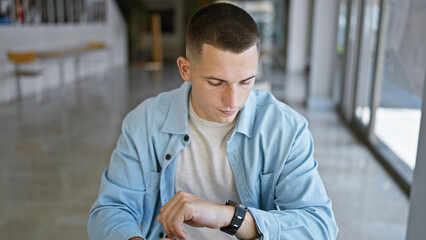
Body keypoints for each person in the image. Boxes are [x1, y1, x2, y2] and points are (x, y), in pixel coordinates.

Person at [88, 3, 338, 240]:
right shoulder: (143, 123)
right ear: (185, 69)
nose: (233, 100)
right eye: (216, 82)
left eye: (246, 81)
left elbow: (319, 226)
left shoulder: (286, 129)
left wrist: (230, 216)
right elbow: (111, 209)